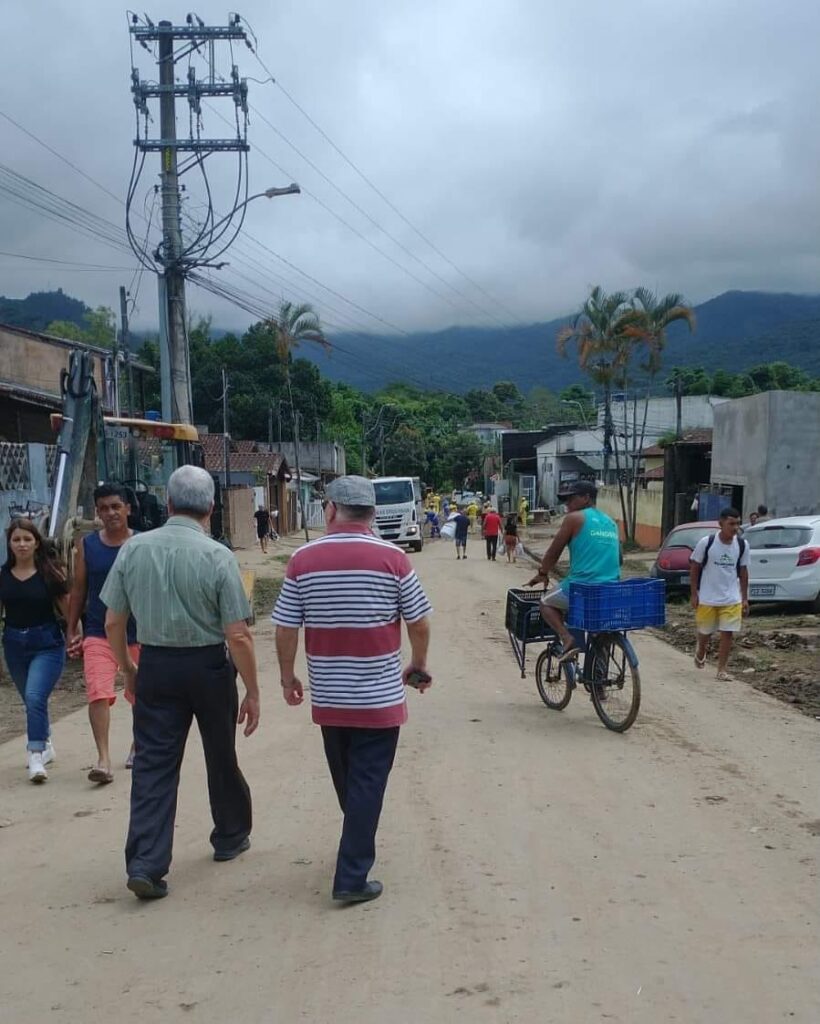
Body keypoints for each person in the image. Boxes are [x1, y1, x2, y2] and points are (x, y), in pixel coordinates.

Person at [101, 466, 260, 901]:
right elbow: (239, 634)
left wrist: (127, 669)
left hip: (156, 665)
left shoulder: (133, 551)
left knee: (153, 764)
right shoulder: (217, 555)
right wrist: (253, 689)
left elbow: (113, 620)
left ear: (167, 504)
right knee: (220, 754)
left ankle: (146, 864)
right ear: (210, 508)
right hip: (209, 667)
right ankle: (229, 835)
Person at [273, 476, 433, 904]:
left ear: (330, 510)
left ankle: (354, 842)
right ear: (373, 514)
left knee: (350, 780)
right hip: (379, 699)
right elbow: (418, 621)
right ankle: (351, 876)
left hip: (329, 697)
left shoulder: (301, 560)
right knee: (367, 782)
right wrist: (417, 665)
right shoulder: (394, 559)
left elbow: (286, 626)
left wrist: (287, 677)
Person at [67, 484, 138, 784]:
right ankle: (104, 759)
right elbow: (79, 589)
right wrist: (72, 628)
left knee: (141, 696)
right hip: (98, 631)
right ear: (97, 512)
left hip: (140, 633)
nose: (110, 513)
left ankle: (139, 745)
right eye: (104, 508)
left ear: (127, 509)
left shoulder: (142, 543)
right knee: (98, 692)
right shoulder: (88, 545)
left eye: (115, 506)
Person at [0, 518, 68, 784]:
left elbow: (66, 606)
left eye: (27, 539)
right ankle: (47, 742)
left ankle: (35, 755)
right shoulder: (3, 577)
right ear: (9, 543)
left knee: (35, 695)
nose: (22, 544)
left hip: (47, 643)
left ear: (36, 542)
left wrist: (76, 633)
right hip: (14, 644)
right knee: (32, 701)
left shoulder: (49, 574)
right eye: (16, 539)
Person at [527, 481, 620, 661]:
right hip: (610, 588)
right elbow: (619, 558)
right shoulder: (611, 522)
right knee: (598, 629)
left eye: (571, 499)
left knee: (546, 603)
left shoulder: (574, 518)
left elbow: (554, 552)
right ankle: (598, 682)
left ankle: (566, 637)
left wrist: (543, 573)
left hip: (582, 585)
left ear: (586, 498)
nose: (567, 504)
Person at [689, 507, 750, 681]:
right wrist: (694, 594)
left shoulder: (742, 545)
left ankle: (721, 669)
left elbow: (744, 571)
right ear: (721, 523)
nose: (735, 527)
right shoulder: (706, 543)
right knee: (705, 631)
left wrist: (744, 598)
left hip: (731, 597)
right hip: (708, 597)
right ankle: (701, 649)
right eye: (731, 523)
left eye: (737, 524)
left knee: (727, 632)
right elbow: (694, 567)